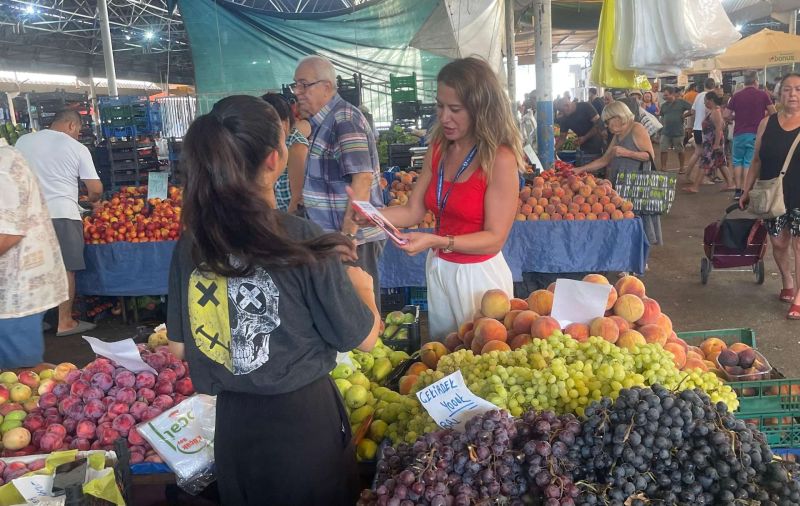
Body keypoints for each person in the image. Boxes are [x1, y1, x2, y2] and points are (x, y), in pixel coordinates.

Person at [166, 95, 381, 504]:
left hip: (234, 427)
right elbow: (364, 337)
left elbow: (179, 345)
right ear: (273, 159)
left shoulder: (192, 244)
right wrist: (362, 287)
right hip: (302, 428)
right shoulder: (299, 239)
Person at [355, 57, 522, 341]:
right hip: (440, 268)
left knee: (482, 358)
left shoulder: (499, 160)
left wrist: (438, 241)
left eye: (454, 109)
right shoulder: (438, 149)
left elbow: (495, 238)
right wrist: (370, 213)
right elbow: (412, 211)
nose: (444, 117)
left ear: (480, 109)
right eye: (440, 106)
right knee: (446, 356)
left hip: (479, 277)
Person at [292, 56, 386, 305]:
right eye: (295, 86)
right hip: (335, 240)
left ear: (327, 87)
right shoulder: (323, 123)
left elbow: (362, 179)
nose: (298, 93)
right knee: (344, 310)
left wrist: (348, 236)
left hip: (353, 241)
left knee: (359, 308)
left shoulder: (343, 121)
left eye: (304, 85)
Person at [14, 110, 101, 336]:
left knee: (33, 268)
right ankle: (65, 322)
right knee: (66, 269)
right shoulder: (76, 148)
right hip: (62, 212)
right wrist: (91, 201)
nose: (79, 136)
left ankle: (33, 322)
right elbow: (96, 189)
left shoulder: (23, 140)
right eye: (79, 131)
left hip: (27, 215)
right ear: (72, 125)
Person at [0, 145, 68, 368]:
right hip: (12, 290)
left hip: (15, 292)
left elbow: (7, 234)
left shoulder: (4, 164)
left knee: (20, 373)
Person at [740, 75, 800, 318]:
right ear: (779, 94)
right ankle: (787, 280)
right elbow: (756, 160)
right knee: (778, 243)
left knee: (799, 245)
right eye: (787, 90)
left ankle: (798, 296)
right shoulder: (767, 123)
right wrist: (745, 189)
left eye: (798, 89)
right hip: (772, 193)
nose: (793, 94)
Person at [574, 101, 662, 246]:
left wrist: (627, 152)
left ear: (618, 117)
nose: (607, 126)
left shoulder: (637, 128)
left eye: (608, 122)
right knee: (625, 221)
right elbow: (604, 160)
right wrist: (579, 169)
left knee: (638, 222)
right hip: (622, 182)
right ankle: (629, 259)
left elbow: (650, 156)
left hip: (637, 184)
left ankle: (639, 260)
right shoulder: (618, 134)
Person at [724, 71, 777, 200]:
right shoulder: (763, 94)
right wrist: (762, 117)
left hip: (738, 134)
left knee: (737, 162)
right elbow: (774, 113)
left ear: (745, 81)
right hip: (756, 134)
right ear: (756, 81)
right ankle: (746, 191)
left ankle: (737, 190)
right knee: (749, 162)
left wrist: (735, 117)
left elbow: (725, 115)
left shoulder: (736, 96)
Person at [261, 93, 310, 213]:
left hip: (291, 217)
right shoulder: (272, 142)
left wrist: (285, 225)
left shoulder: (297, 146)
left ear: (285, 122)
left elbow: (297, 198)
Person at [684, 92, 733, 193]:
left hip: (712, 143)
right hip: (712, 142)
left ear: (710, 100)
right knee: (721, 163)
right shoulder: (714, 111)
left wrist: (715, 144)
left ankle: (695, 187)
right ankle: (730, 184)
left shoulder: (715, 112)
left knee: (704, 163)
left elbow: (719, 129)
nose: (704, 103)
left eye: (705, 100)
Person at [683, 78, 716, 181]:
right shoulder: (712, 97)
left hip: (697, 128)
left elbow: (692, 112)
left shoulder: (698, 95)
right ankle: (704, 178)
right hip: (707, 129)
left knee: (697, 153)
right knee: (706, 155)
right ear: (714, 85)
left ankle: (687, 175)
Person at [658, 86, 693, 172]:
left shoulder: (681, 102)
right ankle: (663, 167)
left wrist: (684, 115)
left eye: (666, 95)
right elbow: (662, 116)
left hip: (678, 131)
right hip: (666, 131)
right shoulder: (663, 105)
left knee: (680, 150)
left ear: (672, 94)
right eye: (664, 95)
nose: (664, 97)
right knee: (663, 149)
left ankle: (681, 168)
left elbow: (692, 109)